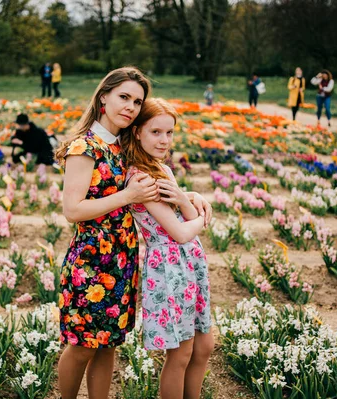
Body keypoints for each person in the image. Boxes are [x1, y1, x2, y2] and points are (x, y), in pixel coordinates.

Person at [54, 67, 211, 399]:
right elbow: (72, 210)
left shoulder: (120, 147)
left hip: (123, 259)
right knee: (83, 346)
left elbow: (153, 175)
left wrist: (189, 196)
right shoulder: (85, 147)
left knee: (108, 345)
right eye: (123, 97)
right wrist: (127, 197)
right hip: (91, 262)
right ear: (103, 97)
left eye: (137, 101)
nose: (130, 106)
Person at [121, 98, 214, 399]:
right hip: (169, 266)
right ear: (137, 132)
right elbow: (180, 231)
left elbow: (186, 216)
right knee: (181, 353)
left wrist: (188, 200)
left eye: (169, 133)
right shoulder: (142, 178)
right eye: (156, 132)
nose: (164, 140)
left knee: (203, 346)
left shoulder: (160, 168)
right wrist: (201, 216)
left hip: (189, 263)